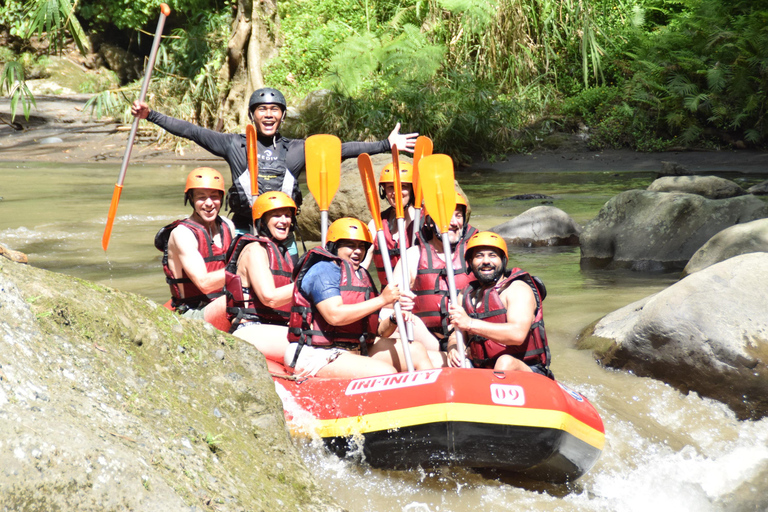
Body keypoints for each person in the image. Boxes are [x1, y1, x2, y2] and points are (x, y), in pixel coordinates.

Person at [131, 87, 418, 236]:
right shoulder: (234, 144)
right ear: (252, 115)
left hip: (283, 228)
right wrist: (151, 115)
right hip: (245, 227)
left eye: (274, 110)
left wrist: (384, 144)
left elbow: (339, 149)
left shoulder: (296, 149)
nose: (268, 115)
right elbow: (193, 131)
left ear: (282, 116)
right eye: (262, 110)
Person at [284, 217, 434, 378]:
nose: (357, 251)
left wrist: (393, 319)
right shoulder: (322, 270)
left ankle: (434, 398)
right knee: (385, 372)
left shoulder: (361, 276)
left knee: (416, 350)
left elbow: (378, 331)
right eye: (350, 245)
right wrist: (382, 300)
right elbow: (334, 316)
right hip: (315, 353)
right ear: (334, 246)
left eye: (361, 246)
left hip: (352, 348)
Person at [446, 232, 553, 377]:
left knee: (505, 362)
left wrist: (470, 323)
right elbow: (456, 333)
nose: (485, 261)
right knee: (440, 359)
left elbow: (517, 334)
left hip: (526, 370)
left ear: (503, 260)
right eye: (479, 256)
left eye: (492, 255)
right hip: (483, 370)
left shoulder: (517, 289)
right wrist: (453, 348)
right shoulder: (465, 295)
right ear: (470, 262)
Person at [392, 191, 478, 353]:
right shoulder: (413, 256)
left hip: (467, 335)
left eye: (458, 216)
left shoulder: (475, 255)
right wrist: (402, 304)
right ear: (430, 222)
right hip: (427, 339)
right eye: (446, 217)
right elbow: (390, 303)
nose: (453, 223)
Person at [223, 191, 296, 360]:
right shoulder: (255, 250)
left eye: (287, 215)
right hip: (250, 329)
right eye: (276, 215)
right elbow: (269, 298)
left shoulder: (283, 252)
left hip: (274, 327)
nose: (284, 221)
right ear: (262, 221)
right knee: (309, 347)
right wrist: (308, 282)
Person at [154, 167, 235, 318]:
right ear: (191, 199)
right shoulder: (182, 233)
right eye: (201, 197)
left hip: (222, 300)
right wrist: (244, 272)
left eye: (214, 196)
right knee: (234, 301)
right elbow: (204, 284)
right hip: (192, 310)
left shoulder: (227, 225)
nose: (209, 203)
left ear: (222, 198)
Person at [362, 161, 416, 287]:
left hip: (417, 296)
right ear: (384, 191)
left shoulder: (425, 221)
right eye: (391, 187)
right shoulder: (376, 224)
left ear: (412, 190)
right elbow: (362, 264)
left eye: (403, 187)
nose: (396, 193)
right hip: (389, 297)